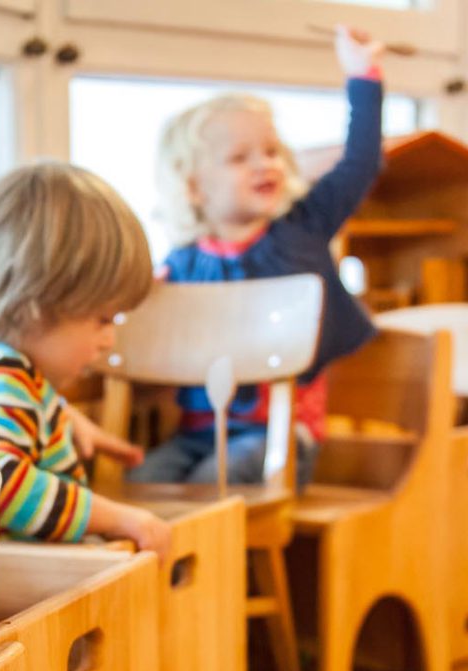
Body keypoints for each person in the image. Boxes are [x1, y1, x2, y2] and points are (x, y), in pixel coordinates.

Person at [129, 25, 384, 489]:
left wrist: (363, 76)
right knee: (141, 481)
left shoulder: (303, 227)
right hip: (197, 434)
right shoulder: (183, 263)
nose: (265, 164)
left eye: (270, 151)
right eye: (240, 157)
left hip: (280, 437)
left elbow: (359, 164)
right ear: (193, 186)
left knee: (212, 485)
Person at [0, 161, 170, 561]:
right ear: (39, 305)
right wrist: (119, 519)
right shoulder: (8, 378)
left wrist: (59, 413)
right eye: (103, 319)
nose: (108, 340)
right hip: (30, 580)